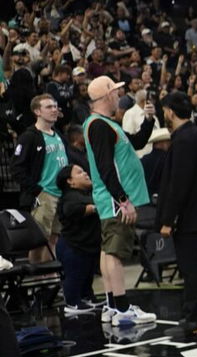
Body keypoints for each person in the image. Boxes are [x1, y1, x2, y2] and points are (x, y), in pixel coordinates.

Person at [84, 75, 157, 327]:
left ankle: (112, 306)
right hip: (116, 200)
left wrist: (148, 121)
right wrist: (123, 200)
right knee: (115, 253)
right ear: (106, 96)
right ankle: (123, 309)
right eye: (115, 92)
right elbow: (106, 168)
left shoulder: (105, 124)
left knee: (107, 252)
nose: (119, 95)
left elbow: (136, 142)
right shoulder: (100, 126)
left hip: (111, 199)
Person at [157, 92, 197, 337]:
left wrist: (169, 219)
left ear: (170, 111)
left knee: (191, 268)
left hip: (188, 216)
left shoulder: (184, 140)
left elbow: (178, 184)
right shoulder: (195, 135)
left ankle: (193, 316)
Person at [14, 95, 70, 265]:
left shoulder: (58, 134)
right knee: (39, 241)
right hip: (44, 195)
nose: (54, 110)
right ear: (37, 111)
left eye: (55, 106)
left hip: (61, 194)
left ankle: (50, 280)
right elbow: (16, 167)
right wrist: (37, 190)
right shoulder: (29, 136)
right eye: (49, 107)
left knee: (53, 239)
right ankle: (39, 281)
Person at [55, 164, 102, 315]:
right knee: (75, 275)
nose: (86, 173)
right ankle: (72, 303)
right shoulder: (70, 196)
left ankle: (87, 297)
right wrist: (95, 208)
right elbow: (72, 210)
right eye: (80, 172)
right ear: (70, 181)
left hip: (87, 244)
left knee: (87, 275)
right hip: (73, 246)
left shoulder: (86, 194)